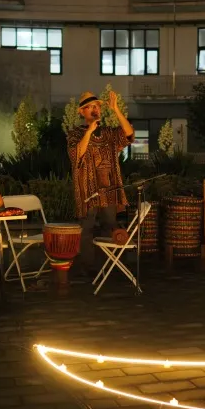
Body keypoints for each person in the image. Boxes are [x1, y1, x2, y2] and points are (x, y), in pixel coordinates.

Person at [67, 90, 134, 275]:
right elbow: (76, 155)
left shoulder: (109, 133)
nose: (95, 109)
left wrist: (116, 109)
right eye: (90, 107)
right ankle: (87, 268)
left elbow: (129, 134)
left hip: (108, 188)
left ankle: (109, 266)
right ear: (82, 112)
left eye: (96, 106)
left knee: (109, 225)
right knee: (86, 228)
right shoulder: (75, 134)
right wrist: (89, 131)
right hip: (87, 188)